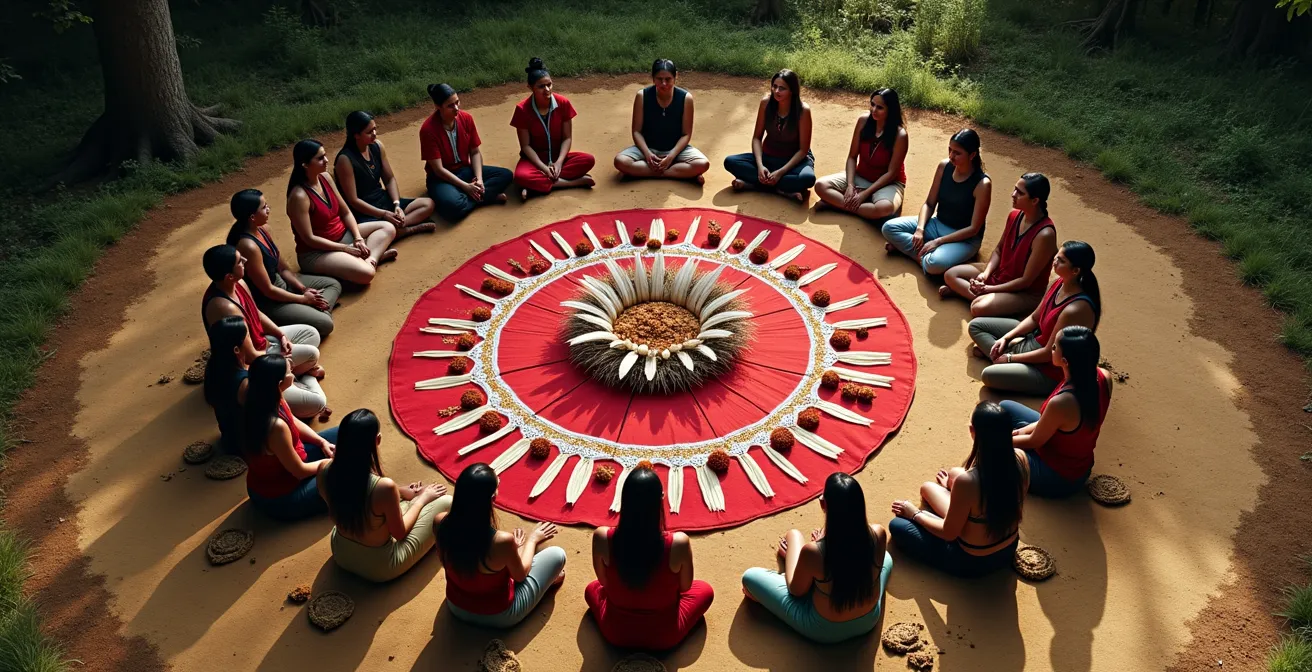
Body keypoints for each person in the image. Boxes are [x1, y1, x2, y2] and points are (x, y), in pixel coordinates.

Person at [741, 473, 892, 643]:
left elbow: (796, 591)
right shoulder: (878, 533)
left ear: (823, 504)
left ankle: (805, 570)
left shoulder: (813, 552)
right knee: (885, 557)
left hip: (824, 630)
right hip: (868, 619)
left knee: (786, 542)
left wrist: (796, 555)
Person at [888, 401, 1028, 577]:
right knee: (928, 488)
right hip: (1008, 548)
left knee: (898, 526)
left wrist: (914, 514)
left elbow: (948, 533)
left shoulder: (968, 482)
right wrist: (955, 485)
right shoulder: (1021, 458)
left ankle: (927, 514)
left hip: (972, 561)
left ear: (973, 432)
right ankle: (950, 492)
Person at [585, 466, 714, 650]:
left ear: (624, 499)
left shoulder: (601, 537)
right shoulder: (678, 543)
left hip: (616, 633)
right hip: (665, 636)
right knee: (705, 590)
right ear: (660, 499)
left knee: (592, 589)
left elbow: (603, 583)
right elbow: (685, 587)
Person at [318, 409, 452, 582]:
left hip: (341, 552)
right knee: (446, 502)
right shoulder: (383, 487)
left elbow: (356, 494)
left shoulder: (323, 469)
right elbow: (400, 533)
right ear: (377, 440)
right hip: (380, 566)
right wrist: (421, 499)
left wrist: (400, 492)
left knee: (393, 506)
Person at [201, 244, 328, 419]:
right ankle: (303, 378)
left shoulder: (239, 283)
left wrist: (280, 335)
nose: (245, 260)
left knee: (311, 334)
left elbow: (256, 313)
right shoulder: (224, 308)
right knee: (317, 403)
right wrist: (282, 363)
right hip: (254, 364)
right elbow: (250, 355)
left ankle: (292, 376)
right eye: (240, 261)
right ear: (229, 276)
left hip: (265, 343)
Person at [436, 463, 567, 627]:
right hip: (500, 616)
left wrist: (510, 549)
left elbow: (445, 560)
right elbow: (520, 576)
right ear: (492, 498)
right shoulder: (501, 541)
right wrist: (531, 540)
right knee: (557, 555)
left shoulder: (440, 522)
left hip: (456, 606)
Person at [968, 240, 1102, 395]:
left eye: (1061, 260)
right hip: (1034, 340)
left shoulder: (1075, 309)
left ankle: (1005, 361)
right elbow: (1034, 318)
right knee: (976, 326)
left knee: (989, 375)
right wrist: (1005, 338)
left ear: (1075, 270)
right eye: (1057, 256)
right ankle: (1004, 358)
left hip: (1049, 370)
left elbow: (1048, 354)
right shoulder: (1058, 283)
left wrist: (1011, 358)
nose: (1055, 261)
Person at [1002, 326, 1113, 498]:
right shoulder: (1104, 377)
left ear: (1065, 361)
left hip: (1060, 477)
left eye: (1054, 347)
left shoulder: (1063, 403)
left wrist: (997, 440)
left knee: (995, 453)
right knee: (1005, 408)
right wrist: (1020, 432)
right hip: (1075, 460)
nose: (1050, 348)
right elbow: (1048, 424)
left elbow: (1033, 441)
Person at [226, 189, 342, 338]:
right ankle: (306, 314)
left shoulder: (263, 230)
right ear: (252, 217)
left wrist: (303, 288)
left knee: (333, 284)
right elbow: (268, 290)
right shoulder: (248, 246)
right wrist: (303, 299)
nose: (268, 209)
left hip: (283, 283)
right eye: (263, 207)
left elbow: (282, 268)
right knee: (326, 324)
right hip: (271, 302)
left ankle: (311, 312)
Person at [940, 173, 1057, 317]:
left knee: (978, 308)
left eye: (1020, 193)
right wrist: (985, 274)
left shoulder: (1045, 235)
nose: (1013, 195)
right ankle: (979, 296)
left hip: (1023, 292)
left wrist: (987, 289)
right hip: (999, 274)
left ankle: (969, 294)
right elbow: (998, 250)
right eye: (1015, 189)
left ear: (1035, 200)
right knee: (950, 274)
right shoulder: (1014, 215)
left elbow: (1025, 282)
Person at [287, 139, 398, 287]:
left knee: (388, 227)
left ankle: (370, 260)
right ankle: (366, 263)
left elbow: (345, 212)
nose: (326, 160)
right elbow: (309, 239)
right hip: (317, 252)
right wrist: (345, 248)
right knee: (367, 275)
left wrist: (358, 238)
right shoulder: (299, 197)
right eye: (320, 158)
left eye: (325, 155)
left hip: (343, 236)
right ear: (305, 165)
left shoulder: (325, 177)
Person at [240, 354, 338, 521]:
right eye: (289, 372)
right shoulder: (275, 428)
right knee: (350, 471)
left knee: (348, 433)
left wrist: (321, 442)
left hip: (290, 464)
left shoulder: (266, 395)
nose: (292, 373)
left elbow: (292, 420)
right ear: (280, 384)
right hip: (281, 497)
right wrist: (333, 461)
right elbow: (299, 471)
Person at [881, 128, 992, 275]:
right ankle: (924, 255)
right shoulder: (944, 166)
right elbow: (929, 203)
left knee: (935, 264)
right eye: (950, 150)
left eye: (957, 153)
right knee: (888, 228)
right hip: (937, 224)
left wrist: (938, 242)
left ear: (972, 155)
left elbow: (974, 229)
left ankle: (916, 253)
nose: (951, 156)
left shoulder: (982, 184)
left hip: (964, 239)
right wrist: (920, 229)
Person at [334, 111, 437, 237]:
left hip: (383, 200)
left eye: (375, 129)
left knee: (428, 204)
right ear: (356, 135)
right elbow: (354, 200)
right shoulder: (345, 160)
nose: (374, 134)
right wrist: (383, 214)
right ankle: (407, 229)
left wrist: (397, 205)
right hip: (365, 211)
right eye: (369, 132)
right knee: (384, 229)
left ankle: (399, 228)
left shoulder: (376, 146)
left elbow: (389, 179)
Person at [420, 84, 514, 222]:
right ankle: (486, 197)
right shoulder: (428, 130)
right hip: (441, 178)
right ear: (438, 107)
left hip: (465, 171)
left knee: (506, 175)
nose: (456, 108)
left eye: (457, 102)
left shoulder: (466, 118)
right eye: (450, 105)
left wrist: (479, 179)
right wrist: (466, 187)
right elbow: (438, 170)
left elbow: (475, 152)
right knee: (453, 206)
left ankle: (470, 196)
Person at [815, 88, 908, 221]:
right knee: (820, 185)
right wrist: (850, 186)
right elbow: (852, 157)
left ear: (890, 110)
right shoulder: (863, 121)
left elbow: (891, 173)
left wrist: (864, 194)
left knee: (885, 207)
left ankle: (836, 205)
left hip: (888, 183)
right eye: (872, 104)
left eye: (880, 107)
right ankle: (864, 211)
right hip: (861, 175)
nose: (873, 110)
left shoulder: (900, 135)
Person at [510, 57, 596, 200]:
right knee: (520, 176)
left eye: (549, 84)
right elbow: (525, 146)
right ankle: (572, 182)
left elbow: (567, 138)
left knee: (588, 160)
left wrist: (559, 163)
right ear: (530, 88)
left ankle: (535, 187)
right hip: (534, 160)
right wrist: (544, 168)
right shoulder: (522, 110)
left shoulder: (563, 103)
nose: (547, 89)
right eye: (541, 86)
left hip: (557, 157)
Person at [723, 69, 816, 203]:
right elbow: (757, 138)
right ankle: (782, 190)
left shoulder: (803, 111)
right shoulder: (766, 103)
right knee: (730, 162)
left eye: (782, 88)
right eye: (774, 86)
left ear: (792, 91)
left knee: (807, 178)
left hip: (793, 162)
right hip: (768, 159)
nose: (776, 91)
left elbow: (803, 150)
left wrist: (780, 173)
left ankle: (754, 185)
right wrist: (760, 166)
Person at [613, 59, 710, 183]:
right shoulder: (642, 96)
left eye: (668, 79)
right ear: (653, 78)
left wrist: (671, 156)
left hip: (676, 150)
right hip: (648, 148)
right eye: (659, 79)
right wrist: (647, 154)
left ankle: (645, 172)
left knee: (703, 164)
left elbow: (686, 134)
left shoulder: (686, 98)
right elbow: (636, 131)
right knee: (620, 161)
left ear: (676, 77)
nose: (664, 83)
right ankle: (681, 173)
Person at [203, 316, 259, 454]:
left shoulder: (214, 368)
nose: (250, 339)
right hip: (249, 445)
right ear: (236, 349)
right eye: (246, 336)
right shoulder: (243, 383)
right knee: (314, 400)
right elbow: (268, 411)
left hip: (230, 439)